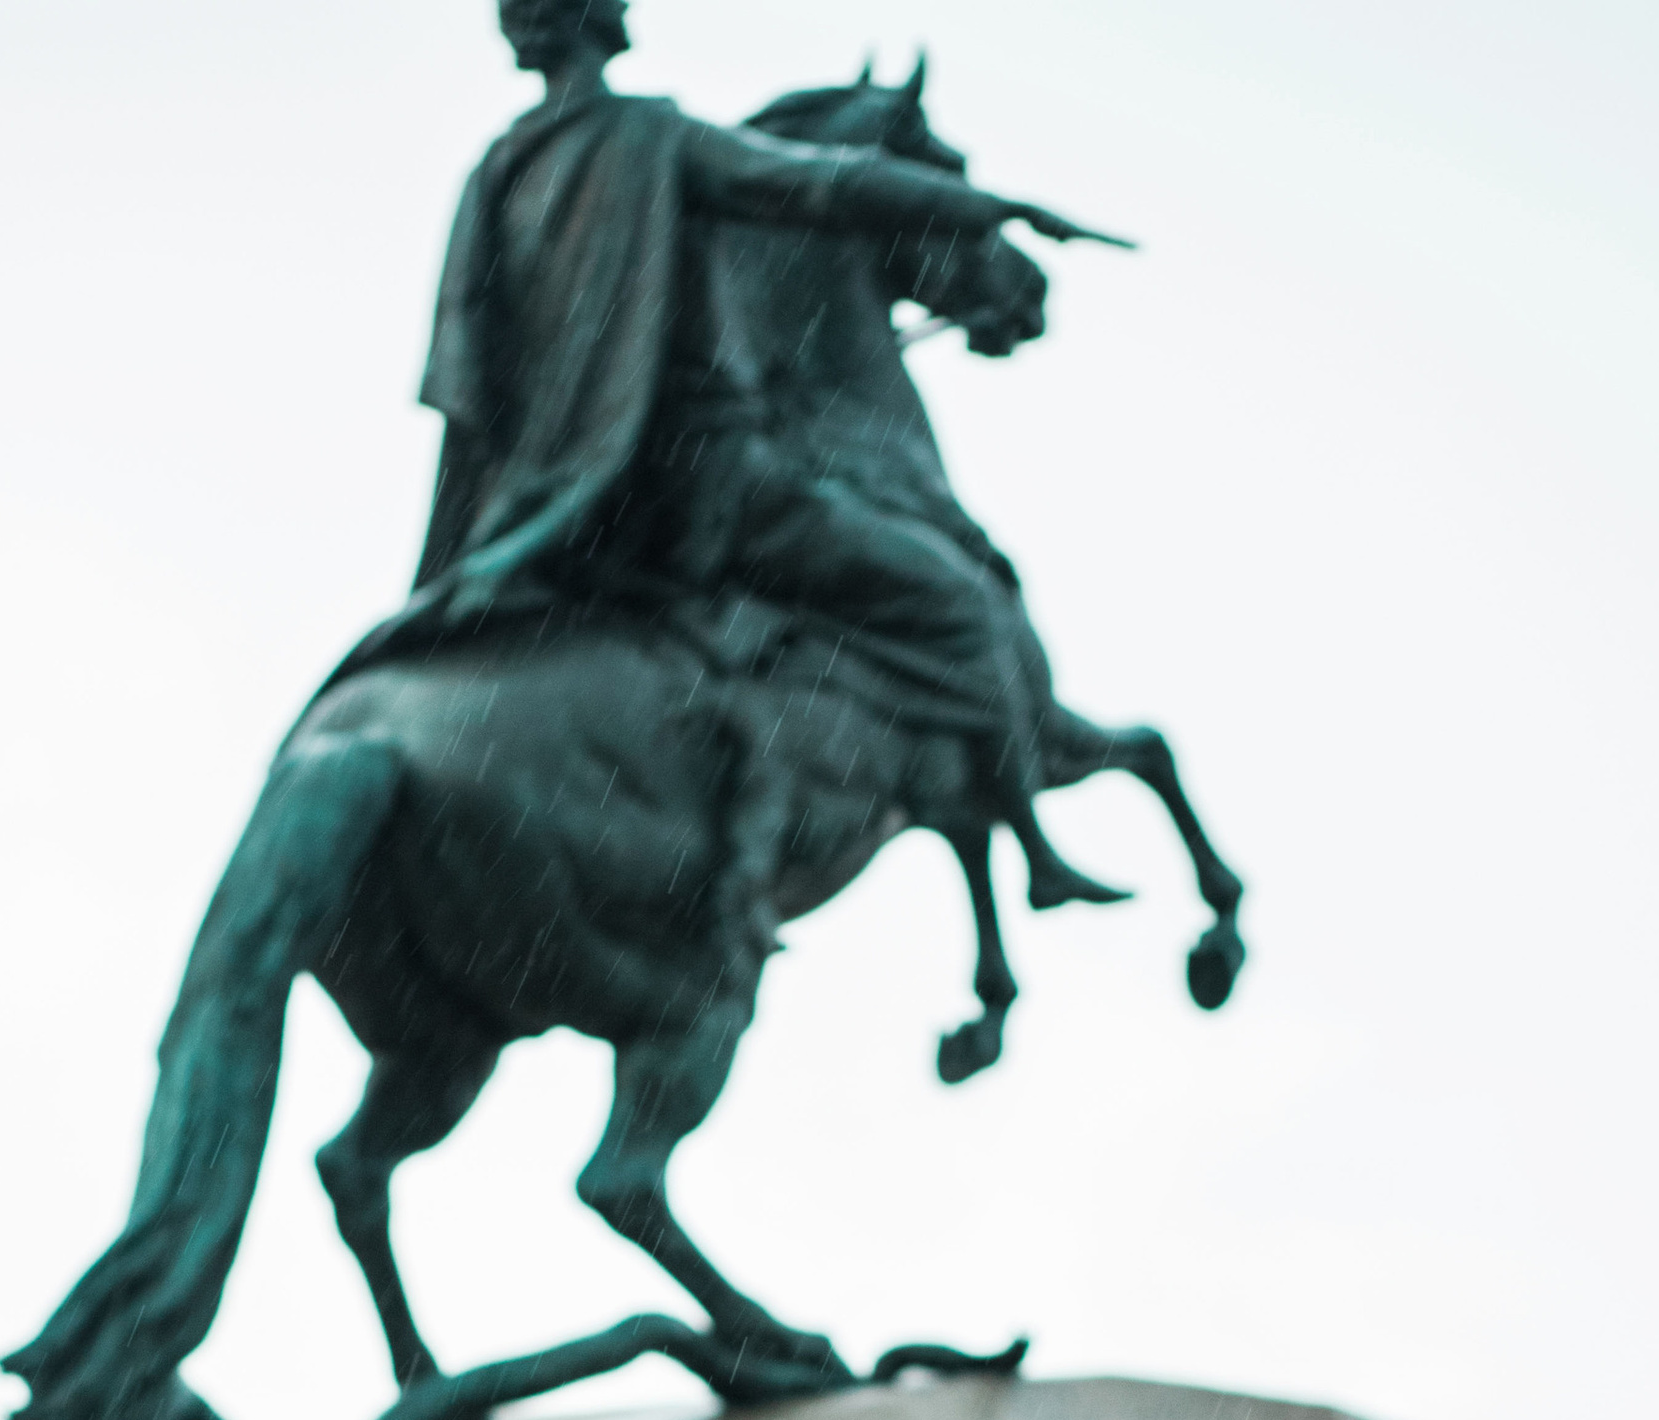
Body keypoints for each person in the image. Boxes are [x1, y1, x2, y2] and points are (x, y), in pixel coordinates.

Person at [349, 0, 1124, 908]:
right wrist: (989, 206)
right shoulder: (652, 138)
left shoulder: (499, 172)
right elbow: (829, 188)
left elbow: (470, 365)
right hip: (706, 490)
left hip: (562, 510)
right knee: (961, 607)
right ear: (604, 22)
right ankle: (1033, 845)